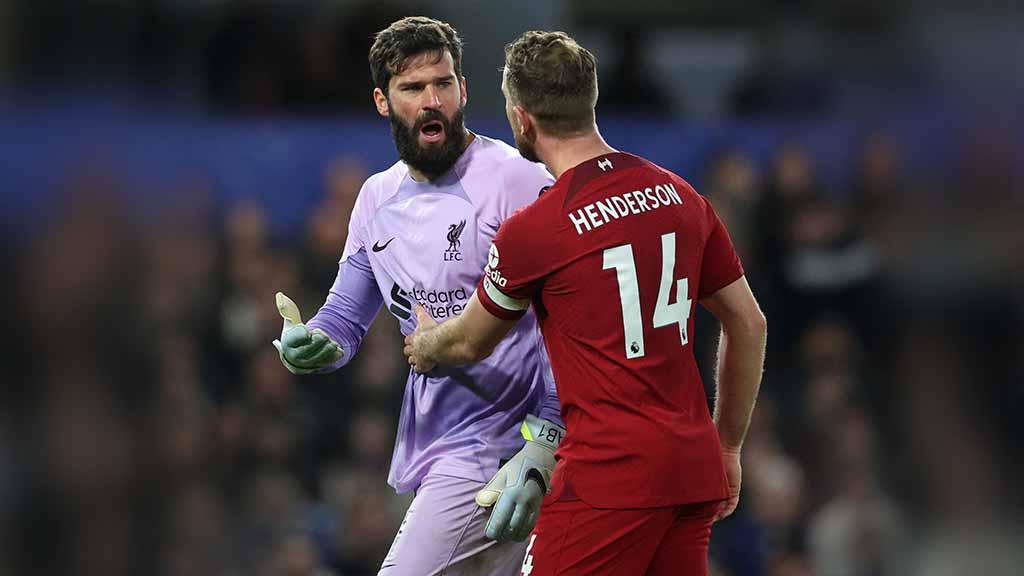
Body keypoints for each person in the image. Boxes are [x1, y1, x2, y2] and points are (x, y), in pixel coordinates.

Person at [404, 30, 767, 575]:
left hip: (609, 477)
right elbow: (749, 322)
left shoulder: (537, 229)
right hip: (690, 469)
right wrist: (730, 445)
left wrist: (424, 344)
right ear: (589, 102)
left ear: (521, 118)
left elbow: (469, 340)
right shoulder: (680, 195)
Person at [271, 17, 565, 575]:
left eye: (443, 83)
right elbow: (345, 320)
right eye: (413, 88)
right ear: (383, 101)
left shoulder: (517, 180)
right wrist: (310, 343)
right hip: (443, 448)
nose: (432, 100)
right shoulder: (375, 199)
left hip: (500, 445)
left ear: (463, 90)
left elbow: (567, 317)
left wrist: (546, 440)